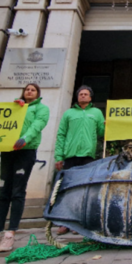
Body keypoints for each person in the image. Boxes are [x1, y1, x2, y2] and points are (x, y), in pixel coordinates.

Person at [0, 83, 50, 253]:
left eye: (33, 89)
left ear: (38, 93)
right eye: (27, 89)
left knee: (17, 191)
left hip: (25, 151)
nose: (29, 91)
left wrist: (25, 138)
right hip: (8, 150)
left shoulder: (42, 109)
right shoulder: (15, 107)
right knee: (3, 191)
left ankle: (10, 233)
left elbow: (37, 125)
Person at [54, 85, 105, 235]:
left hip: (88, 156)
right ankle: (65, 222)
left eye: (85, 94)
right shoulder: (68, 113)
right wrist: (59, 157)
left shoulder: (96, 113)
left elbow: (102, 132)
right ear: (77, 97)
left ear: (90, 98)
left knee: (86, 190)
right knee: (68, 189)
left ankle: (81, 222)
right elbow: (61, 135)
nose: (83, 96)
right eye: (80, 94)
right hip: (70, 156)